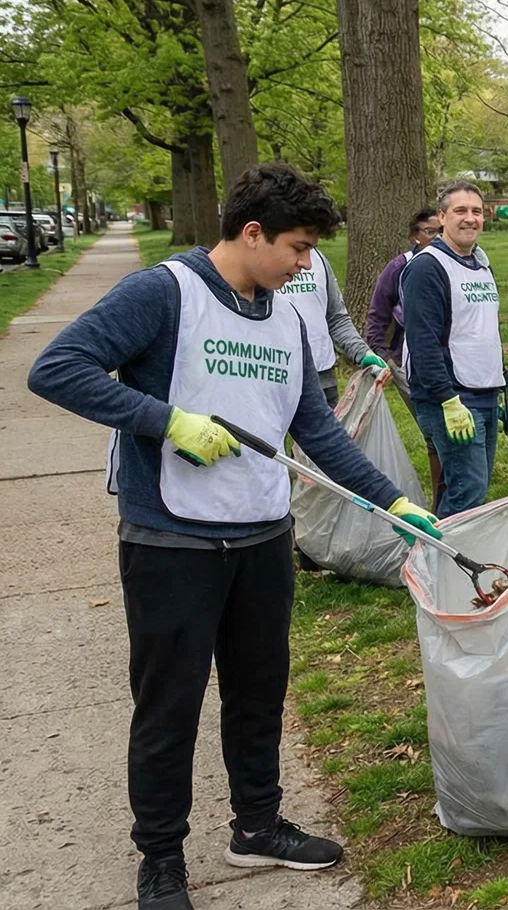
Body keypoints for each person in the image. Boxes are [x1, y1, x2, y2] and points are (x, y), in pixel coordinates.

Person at [27, 164, 440, 910]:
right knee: (169, 704)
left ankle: (256, 826)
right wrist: (166, 420)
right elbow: (57, 369)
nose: (306, 264)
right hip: (171, 541)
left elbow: (313, 428)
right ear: (252, 234)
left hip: (261, 536)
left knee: (258, 692)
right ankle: (159, 857)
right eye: (298, 247)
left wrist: (391, 502)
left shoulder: (286, 314)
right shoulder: (164, 292)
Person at [401, 182, 508, 516]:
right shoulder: (427, 267)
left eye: (476, 211)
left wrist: (506, 386)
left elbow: (486, 330)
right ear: (442, 216)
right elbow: (423, 342)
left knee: (465, 485)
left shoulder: (480, 264)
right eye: (460, 211)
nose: (470, 219)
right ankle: (448, 563)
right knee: (469, 491)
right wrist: (447, 400)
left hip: (486, 393)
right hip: (452, 397)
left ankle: (438, 559)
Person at [365, 206, 443, 502]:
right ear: (415, 236)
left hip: (448, 361)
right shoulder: (399, 267)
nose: (437, 237)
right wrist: (383, 356)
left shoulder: (455, 264)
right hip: (407, 362)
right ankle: (440, 500)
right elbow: (377, 315)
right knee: (433, 431)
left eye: (441, 231)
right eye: (430, 231)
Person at [275, 237, 383, 408]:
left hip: (321, 378)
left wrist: (363, 353)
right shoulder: (263, 262)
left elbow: (336, 318)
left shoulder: (318, 260)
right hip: (276, 379)